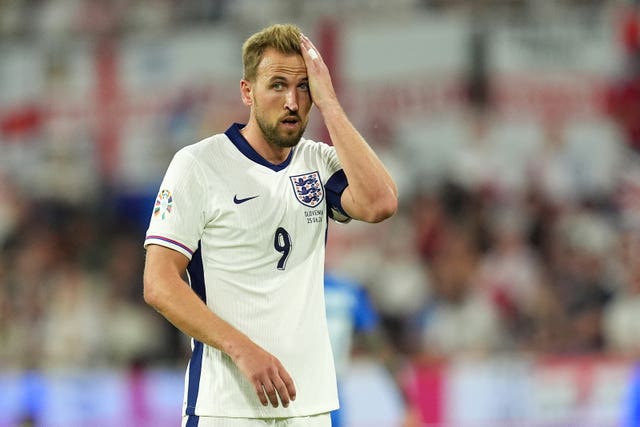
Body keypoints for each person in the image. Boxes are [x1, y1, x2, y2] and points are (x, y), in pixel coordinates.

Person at [142, 23, 398, 427]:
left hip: (309, 406)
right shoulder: (198, 165)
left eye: (304, 88)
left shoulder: (318, 162)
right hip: (226, 406)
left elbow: (380, 203)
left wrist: (330, 104)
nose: (292, 101)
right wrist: (242, 349)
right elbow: (158, 283)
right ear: (247, 91)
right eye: (277, 85)